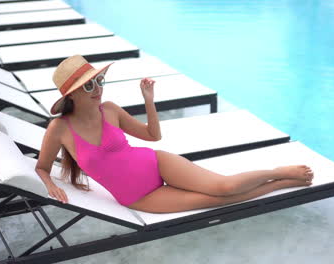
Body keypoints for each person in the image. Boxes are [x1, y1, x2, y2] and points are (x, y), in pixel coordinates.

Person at [35, 55, 314, 214]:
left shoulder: (109, 109)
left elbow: (152, 136)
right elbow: (42, 167)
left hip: (157, 163)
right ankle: (278, 184)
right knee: (215, 201)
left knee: (225, 187)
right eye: (89, 86)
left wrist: (148, 100)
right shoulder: (59, 129)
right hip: (139, 197)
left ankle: (276, 171)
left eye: (99, 81)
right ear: (72, 95)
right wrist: (49, 183)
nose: (98, 89)